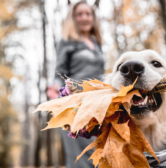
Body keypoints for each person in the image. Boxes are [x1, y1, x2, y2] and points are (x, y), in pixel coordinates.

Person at [47, 2, 104, 168]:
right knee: (79, 157)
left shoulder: (97, 43)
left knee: (98, 154)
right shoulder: (66, 41)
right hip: (74, 103)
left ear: (93, 18)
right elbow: (59, 71)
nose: (84, 17)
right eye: (79, 14)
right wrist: (55, 88)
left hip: (97, 104)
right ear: (73, 18)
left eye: (88, 14)